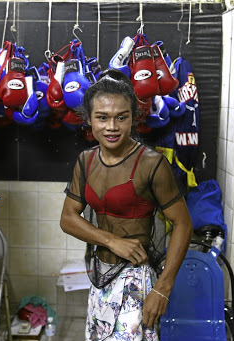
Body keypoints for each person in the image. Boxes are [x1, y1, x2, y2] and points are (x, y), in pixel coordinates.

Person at [60, 69, 192, 341]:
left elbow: (183, 223)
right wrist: (111, 241)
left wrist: (162, 288)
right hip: (100, 275)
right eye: (102, 118)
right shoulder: (85, 161)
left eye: (122, 117)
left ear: (134, 118)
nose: (112, 127)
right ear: (89, 120)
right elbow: (68, 218)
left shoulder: (150, 163)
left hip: (135, 280)